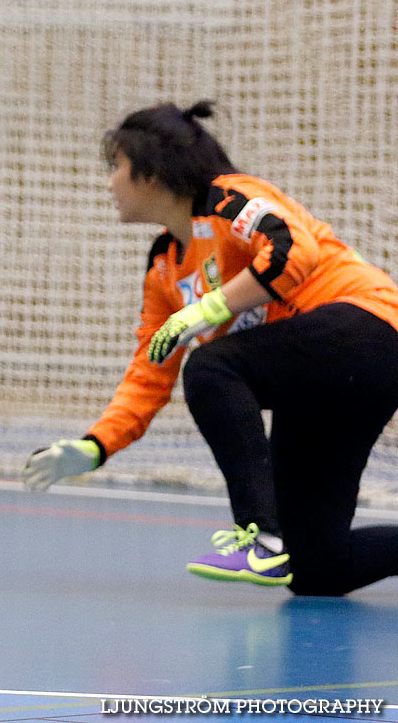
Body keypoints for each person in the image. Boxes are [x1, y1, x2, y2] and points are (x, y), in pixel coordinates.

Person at [23, 101, 398, 596]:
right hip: (317, 383)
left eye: (116, 167)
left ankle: (260, 537)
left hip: (368, 331)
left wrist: (208, 309)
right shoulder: (164, 267)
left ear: (151, 173)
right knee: (314, 570)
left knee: (212, 368)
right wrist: (97, 444)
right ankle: (279, 546)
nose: (109, 183)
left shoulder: (228, 197)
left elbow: (294, 249)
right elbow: (150, 371)